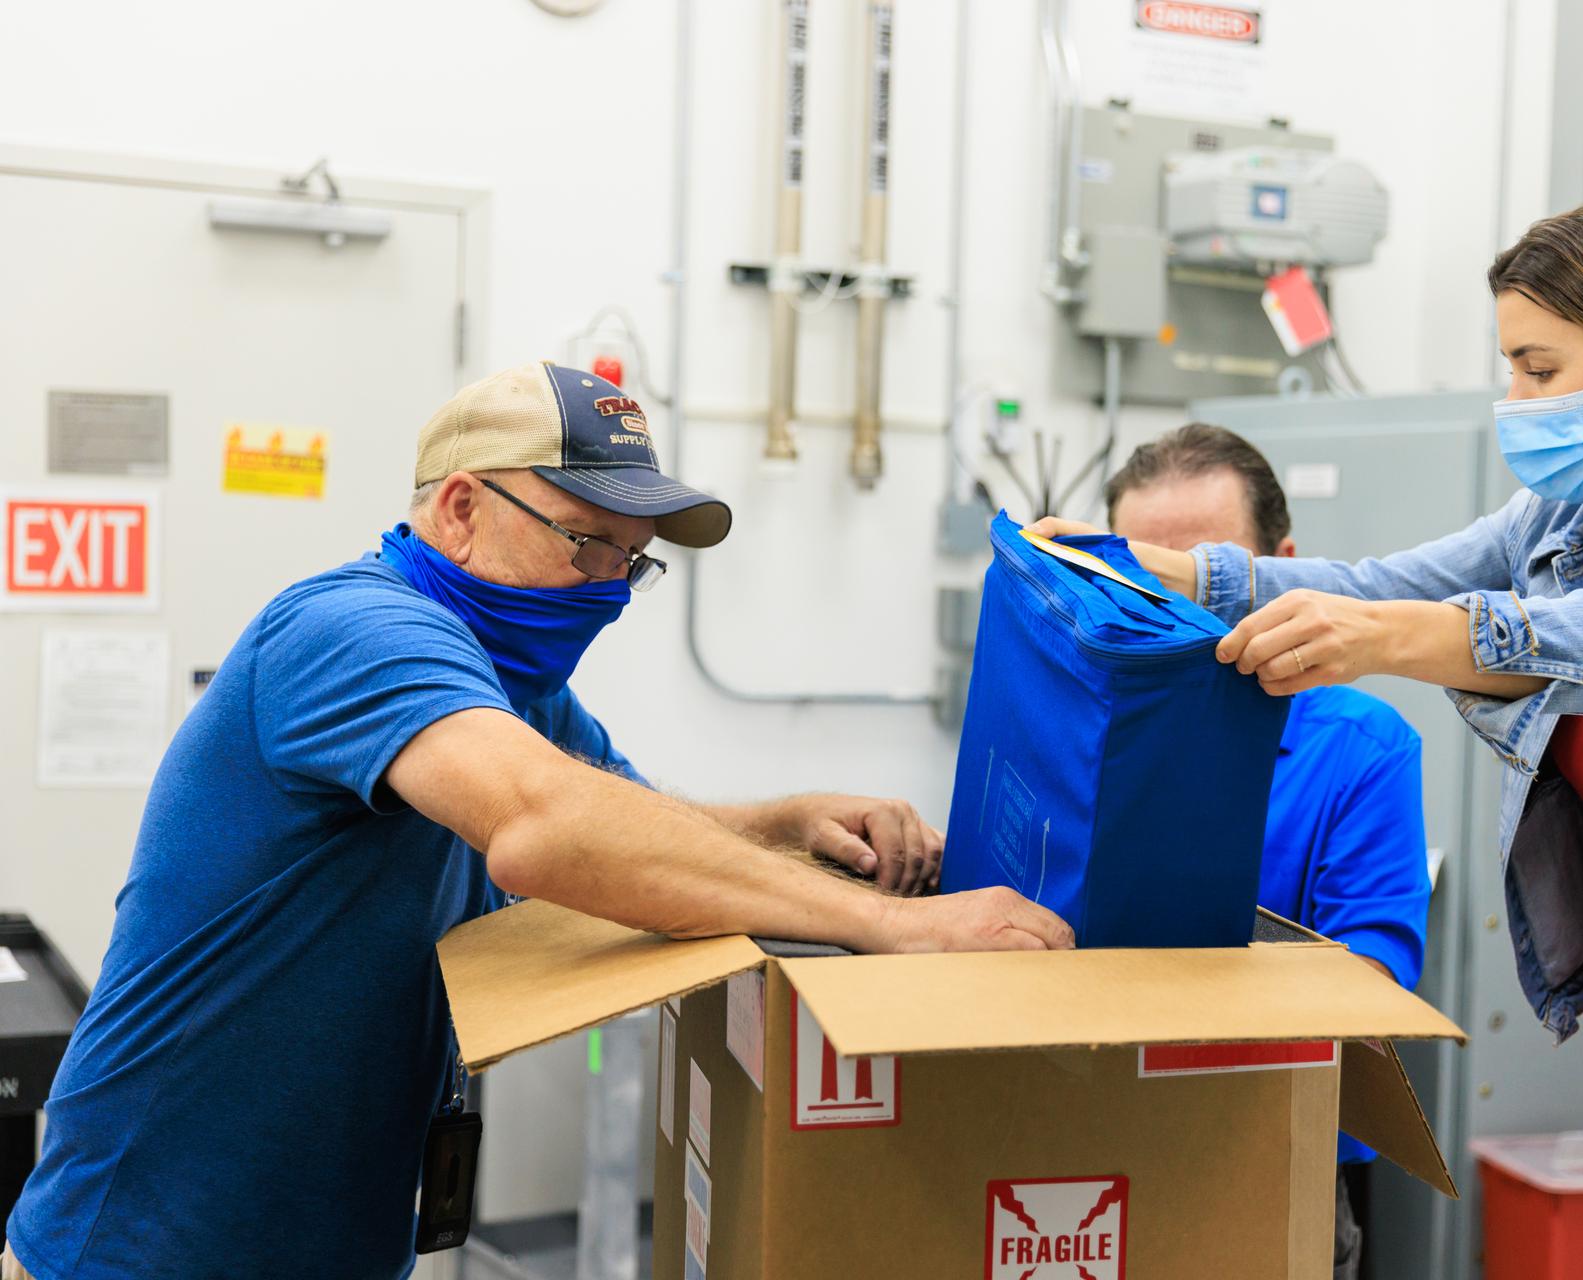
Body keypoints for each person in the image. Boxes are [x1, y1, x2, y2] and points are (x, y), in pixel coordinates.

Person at [1, 362, 1071, 1280]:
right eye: (585, 543)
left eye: (631, 561)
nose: (608, 589)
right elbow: (551, 828)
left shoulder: (512, 684)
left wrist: (784, 823)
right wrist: (890, 926)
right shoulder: (352, 631)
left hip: (326, 1242)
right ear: (462, 508)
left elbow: (634, 826)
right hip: (146, 1246)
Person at [1039, 194, 1583, 1275]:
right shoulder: (1567, 522)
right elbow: (1380, 582)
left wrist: (1399, 640)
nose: (1516, 401)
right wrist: (1163, 570)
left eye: (1541, 369)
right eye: (1511, 367)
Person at [1105, 422, 1428, 1280]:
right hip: (1093, 1137)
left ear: (1281, 570)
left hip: (1276, 1159)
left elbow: (1373, 984)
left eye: (1201, 579)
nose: (1175, 613)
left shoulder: (1359, 749)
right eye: (1144, 582)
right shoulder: (1083, 736)